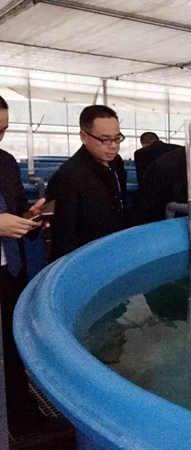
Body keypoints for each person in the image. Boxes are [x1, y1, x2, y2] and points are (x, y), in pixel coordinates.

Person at [0, 95, 69, 435]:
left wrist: (30, 217)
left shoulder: (5, 162)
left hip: (8, 271)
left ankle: (21, 416)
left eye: (3, 130)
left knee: (12, 348)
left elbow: (13, 210)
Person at [47, 105, 129, 261]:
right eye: (105, 139)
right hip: (87, 258)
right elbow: (64, 236)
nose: (113, 146)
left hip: (115, 249)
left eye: (117, 138)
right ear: (84, 137)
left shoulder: (116, 163)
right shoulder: (68, 177)